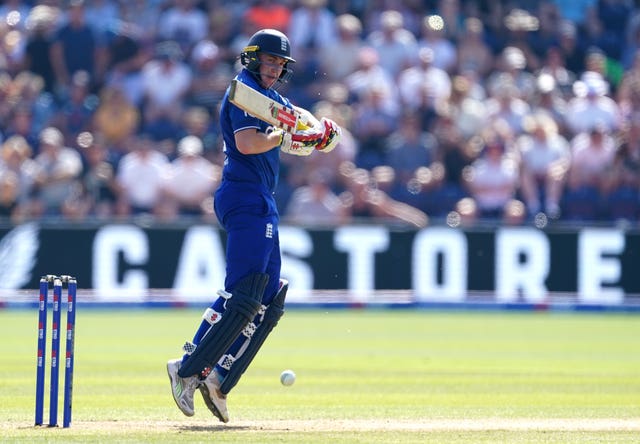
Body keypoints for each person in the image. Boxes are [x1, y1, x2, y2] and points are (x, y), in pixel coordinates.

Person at [166, 28, 340, 423]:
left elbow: (293, 134)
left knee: (270, 296)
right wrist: (287, 135)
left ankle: (221, 379)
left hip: (261, 198)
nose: (274, 68)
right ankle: (188, 368)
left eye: (280, 63)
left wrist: (319, 135)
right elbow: (249, 143)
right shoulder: (244, 91)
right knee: (244, 292)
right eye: (269, 60)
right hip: (243, 196)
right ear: (252, 58)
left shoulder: (272, 100)